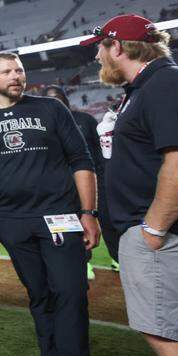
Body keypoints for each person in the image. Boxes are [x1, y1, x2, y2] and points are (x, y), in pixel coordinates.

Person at [0, 53, 112, 356]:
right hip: (12, 222)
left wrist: (89, 213)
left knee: (71, 293)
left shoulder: (50, 109)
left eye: (19, 70)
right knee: (41, 296)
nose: (16, 75)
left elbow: (81, 159)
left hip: (59, 217)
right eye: (7, 71)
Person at [82, 14, 178, 356]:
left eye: (100, 47)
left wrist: (152, 230)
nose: (97, 55)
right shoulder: (148, 88)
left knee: (166, 334)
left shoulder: (166, 83)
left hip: (169, 236)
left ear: (119, 46)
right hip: (169, 233)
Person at [44, 84, 116, 274]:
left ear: (66, 100)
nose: (55, 103)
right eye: (49, 99)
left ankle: (117, 257)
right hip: (63, 186)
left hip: (94, 180)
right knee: (71, 225)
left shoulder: (85, 120)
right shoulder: (42, 128)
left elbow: (101, 151)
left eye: (58, 98)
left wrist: (106, 175)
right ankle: (84, 261)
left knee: (107, 219)